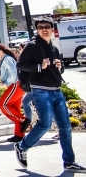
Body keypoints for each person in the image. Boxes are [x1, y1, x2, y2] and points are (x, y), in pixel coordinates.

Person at [14, 17, 86, 172]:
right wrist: (40, 66)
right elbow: (20, 64)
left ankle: (69, 161)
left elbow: (57, 70)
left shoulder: (54, 48)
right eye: (40, 27)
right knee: (45, 124)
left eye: (47, 27)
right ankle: (22, 146)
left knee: (65, 127)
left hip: (56, 91)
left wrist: (60, 67)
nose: (44, 29)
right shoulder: (32, 46)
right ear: (37, 30)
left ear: (52, 29)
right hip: (40, 90)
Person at [0, 43, 30, 142]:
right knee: (14, 109)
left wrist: (4, 82)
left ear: (0, 51)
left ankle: (23, 120)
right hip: (18, 86)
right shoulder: (8, 58)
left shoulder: (6, 59)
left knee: (2, 105)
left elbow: (13, 75)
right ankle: (19, 134)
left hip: (15, 85)